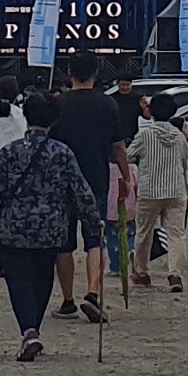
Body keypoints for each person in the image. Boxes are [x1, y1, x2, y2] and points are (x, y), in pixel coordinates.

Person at [0, 112, 100, 363]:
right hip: (52, 227)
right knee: (43, 277)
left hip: (15, 226)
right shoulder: (62, 152)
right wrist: (93, 221)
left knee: (17, 278)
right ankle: (33, 330)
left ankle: (29, 331)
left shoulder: (11, 151)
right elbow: (80, 190)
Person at [45, 58, 136, 323]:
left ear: (69, 73)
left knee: (64, 243)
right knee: (95, 238)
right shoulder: (108, 104)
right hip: (97, 178)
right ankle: (93, 292)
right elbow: (118, 146)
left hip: (63, 182)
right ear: (96, 73)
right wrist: (126, 177)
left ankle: (68, 300)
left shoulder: (59, 104)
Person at [128, 93, 188, 293]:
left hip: (150, 190)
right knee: (176, 234)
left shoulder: (145, 134)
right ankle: (175, 274)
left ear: (151, 111)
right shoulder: (179, 137)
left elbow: (129, 155)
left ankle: (142, 272)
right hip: (176, 190)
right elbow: (184, 162)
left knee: (144, 232)